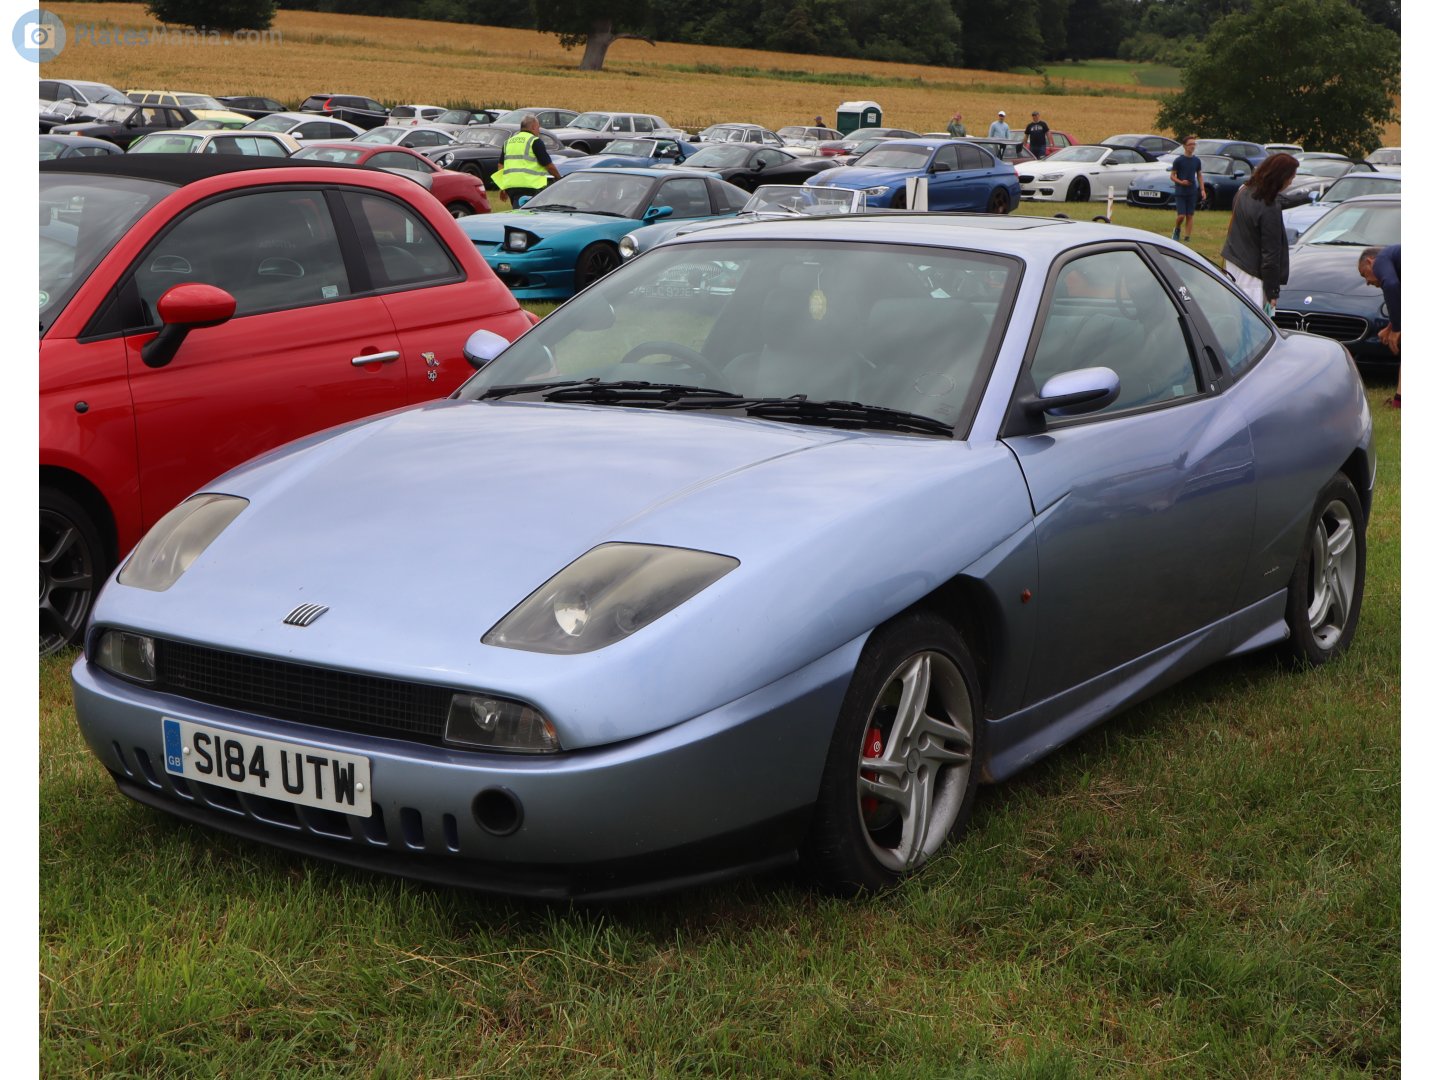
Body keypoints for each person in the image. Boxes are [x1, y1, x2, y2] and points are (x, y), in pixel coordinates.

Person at [1219, 152, 1299, 315]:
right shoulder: (1269, 206)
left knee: (1235, 319)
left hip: (1234, 266)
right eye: (1291, 177)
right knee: (1253, 331)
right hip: (1253, 278)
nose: (1291, 182)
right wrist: (1272, 292)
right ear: (1280, 176)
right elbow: (1270, 254)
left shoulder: (1243, 190)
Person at [1358, 245, 1401, 408]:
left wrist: (1397, 330)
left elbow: (1390, 285)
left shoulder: (1381, 259)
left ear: (1370, 262)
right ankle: (1399, 400)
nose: (1367, 282)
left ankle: (1399, 401)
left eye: (1364, 274)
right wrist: (1391, 326)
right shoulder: (1396, 263)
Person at [491, 115, 559, 207]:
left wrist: (503, 186)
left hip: (511, 187)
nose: (539, 131)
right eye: (538, 128)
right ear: (534, 127)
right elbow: (548, 165)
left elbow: (500, 165)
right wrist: (559, 178)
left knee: (519, 213)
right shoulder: (535, 141)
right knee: (529, 215)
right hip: (530, 186)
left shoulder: (508, 142)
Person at [1168, 135, 1204, 242]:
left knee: (1190, 215)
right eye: (1190, 144)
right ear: (1184, 146)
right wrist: (1181, 182)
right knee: (1181, 216)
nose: (1192, 146)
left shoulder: (1197, 160)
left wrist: (1202, 190)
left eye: (1194, 144)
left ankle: (1187, 237)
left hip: (1192, 191)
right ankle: (1177, 229)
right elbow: (1172, 176)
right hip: (1180, 191)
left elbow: (1199, 175)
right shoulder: (1178, 160)